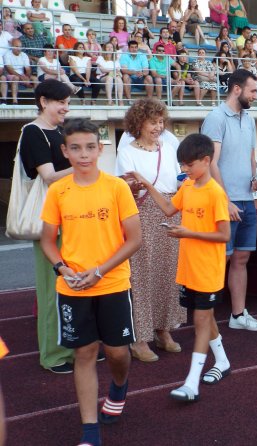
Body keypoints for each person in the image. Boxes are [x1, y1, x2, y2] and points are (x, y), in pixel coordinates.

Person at [40, 118, 142, 446]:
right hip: (72, 287)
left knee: (116, 353)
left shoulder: (116, 188)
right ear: (64, 152)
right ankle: (89, 431)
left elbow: (134, 239)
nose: (83, 154)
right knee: (84, 353)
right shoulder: (58, 190)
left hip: (111, 283)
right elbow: (47, 240)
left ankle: (119, 385)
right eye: (75, 148)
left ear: (100, 148)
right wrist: (61, 268)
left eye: (90, 147)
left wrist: (99, 271)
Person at [130, 133, 232, 401]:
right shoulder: (187, 186)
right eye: (182, 165)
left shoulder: (215, 193)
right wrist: (147, 184)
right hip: (188, 268)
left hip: (208, 269)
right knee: (205, 318)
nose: (184, 170)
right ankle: (222, 361)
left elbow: (224, 235)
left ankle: (191, 383)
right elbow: (167, 209)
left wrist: (189, 233)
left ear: (206, 161)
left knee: (200, 322)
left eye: (189, 164)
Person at [114, 98, 186, 362]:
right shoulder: (127, 151)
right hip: (141, 213)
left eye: (160, 121)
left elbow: (180, 178)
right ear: (138, 123)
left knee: (168, 273)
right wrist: (133, 185)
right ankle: (139, 337)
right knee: (142, 276)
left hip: (171, 209)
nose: (158, 127)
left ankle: (164, 330)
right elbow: (125, 188)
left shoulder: (169, 145)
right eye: (153, 122)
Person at [201, 70, 257, 331]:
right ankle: (203, 316)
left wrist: (256, 176)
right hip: (223, 202)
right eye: (253, 90)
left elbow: (252, 158)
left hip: (247, 200)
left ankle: (238, 315)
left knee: (241, 259)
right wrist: (225, 200)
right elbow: (210, 163)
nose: (256, 95)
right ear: (237, 89)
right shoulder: (215, 118)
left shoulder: (249, 119)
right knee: (220, 260)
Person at [18, 80, 75, 374]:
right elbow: (50, 177)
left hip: (73, 218)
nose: (66, 107)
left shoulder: (60, 132)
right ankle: (53, 355)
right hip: (50, 222)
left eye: (67, 102)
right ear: (43, 101)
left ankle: (76, 347)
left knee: (74, 286)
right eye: (60, 102)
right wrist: (83, 163)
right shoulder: (33, 132)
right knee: (52, 290)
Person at [3, 39, 34, 104]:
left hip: (22, 75)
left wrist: (27, 77)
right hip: (10, 75)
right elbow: (9, 69)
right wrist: (22, 78)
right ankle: (15, 101)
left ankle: (36, 99)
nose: (19, 49)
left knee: (35, 79)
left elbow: (28, 69)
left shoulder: (24, 54)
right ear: (12, 46)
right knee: (16, 78)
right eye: (17, 46)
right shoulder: (7, 54)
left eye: (20, 47)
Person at [96, 41, 124, 106]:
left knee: (118, 79)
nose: (109, 48)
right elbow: (102, 70)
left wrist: (111, 71)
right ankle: (109, 101)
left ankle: (120, 101)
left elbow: (118, 71)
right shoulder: (100, 58)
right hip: (103, 77)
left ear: (113, 49)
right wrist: (113, 70)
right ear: (104, 49)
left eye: (111, 47)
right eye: (107, 47)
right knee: (109, 77)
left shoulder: (116, 59)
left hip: (115, 77)